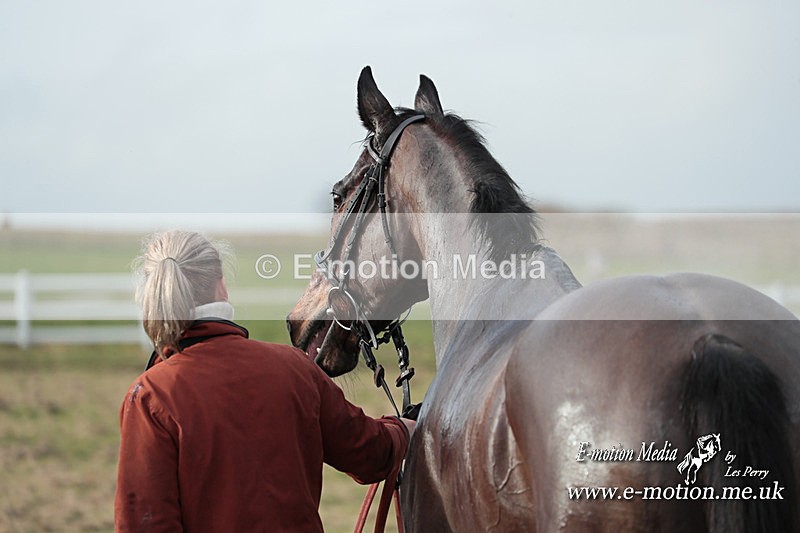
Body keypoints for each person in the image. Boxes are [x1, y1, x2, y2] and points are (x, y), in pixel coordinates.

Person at [115, 230, 415, 532]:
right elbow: (370, 453)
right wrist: (403, 430)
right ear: (221, 284)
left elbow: (143, 523)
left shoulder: (151, 397)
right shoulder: (295, 369)